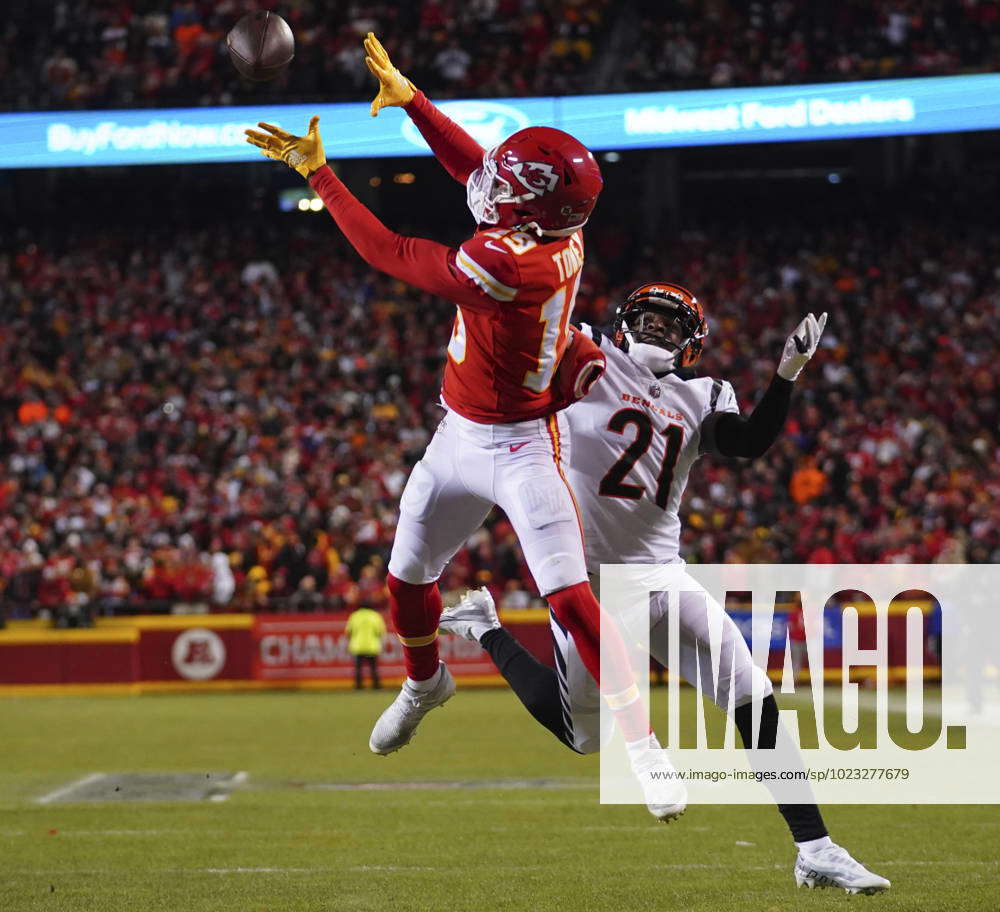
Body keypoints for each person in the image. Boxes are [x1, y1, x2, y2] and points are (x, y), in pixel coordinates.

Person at [245, 33, 672, 812]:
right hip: (459, 432)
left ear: (535, 205)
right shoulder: (554, 230)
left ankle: (643, 749)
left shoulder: (511, 263)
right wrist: (412, 101)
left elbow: (394, 252)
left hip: (518, 444)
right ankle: (424, 682)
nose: (493, 183)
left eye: (512, 183)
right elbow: (477, 171)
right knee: (406, 580)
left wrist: (322, 177)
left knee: (572, 599)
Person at [440, 284, 890, 894]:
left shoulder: (706, 394)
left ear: (692, 344)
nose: (656, 329)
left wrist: (786, 374)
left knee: (750, 689)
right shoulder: (586, 353)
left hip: (661, 570)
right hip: (586, 580)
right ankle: (485, 628)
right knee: (580, 735)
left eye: (670, 324)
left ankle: (815, 847)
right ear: (624, 323)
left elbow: (749, 443)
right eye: (647, 318)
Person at [346, 604, 387, 690]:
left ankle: (358, 686)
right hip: (372, 647)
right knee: (373, 668)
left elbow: (348, 632)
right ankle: (376, 686)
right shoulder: (375, 616)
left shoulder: (355, 615)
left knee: (358, 669)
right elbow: (380, 632)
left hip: (358, 647)